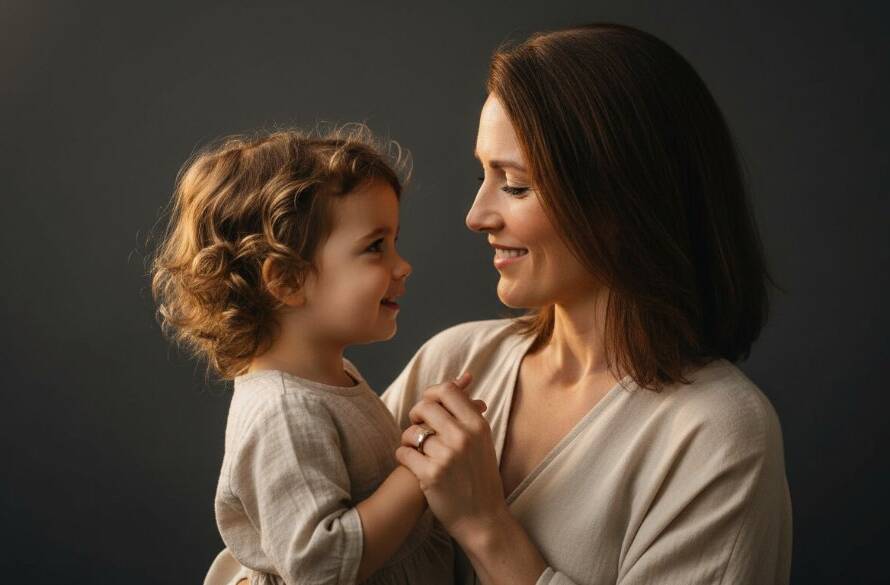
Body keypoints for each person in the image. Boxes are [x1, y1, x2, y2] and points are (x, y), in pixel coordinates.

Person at [383, 23, 792, 584]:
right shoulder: (453, 365)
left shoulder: (716, 432)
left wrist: (485, 526)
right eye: (484, 175)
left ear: (622, 198)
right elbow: (276, 548)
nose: (477, 215)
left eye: (516, 185)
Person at [150, 127, 475, 585]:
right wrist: (418, 469)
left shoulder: (329, 379)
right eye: (375, 247)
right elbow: (321, 565)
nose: (402, 266)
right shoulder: (281, 412)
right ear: (286, 279)